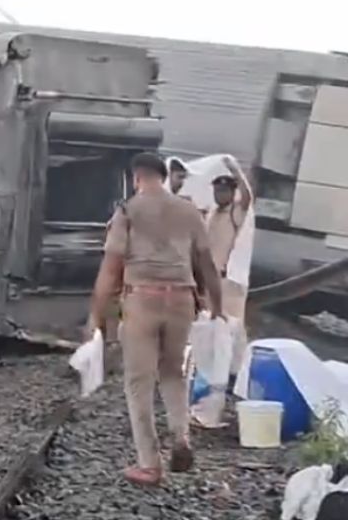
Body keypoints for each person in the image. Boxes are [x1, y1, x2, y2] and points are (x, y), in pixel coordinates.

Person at [87, 151, 223, 486]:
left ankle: (149, 464)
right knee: (173, 374)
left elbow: (110, 268)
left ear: (136, 178)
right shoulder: (189, 210)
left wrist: (97, 316)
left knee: (139, 382)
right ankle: (181, 437)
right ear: (163, 177)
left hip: (141, 299)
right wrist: (216, 304)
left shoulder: (128, 211)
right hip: (180, 300)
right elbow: (206, 263)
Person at [206, 158, 253, 354]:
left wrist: (237, 172)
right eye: (217, 191)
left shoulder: (236, 211)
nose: (220, 195)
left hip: (229, 281)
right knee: (210, 326)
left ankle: (233, 370)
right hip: (211, 279)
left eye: (224, 191)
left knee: (231, 328)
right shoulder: (213, 213)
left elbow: (247, 198)